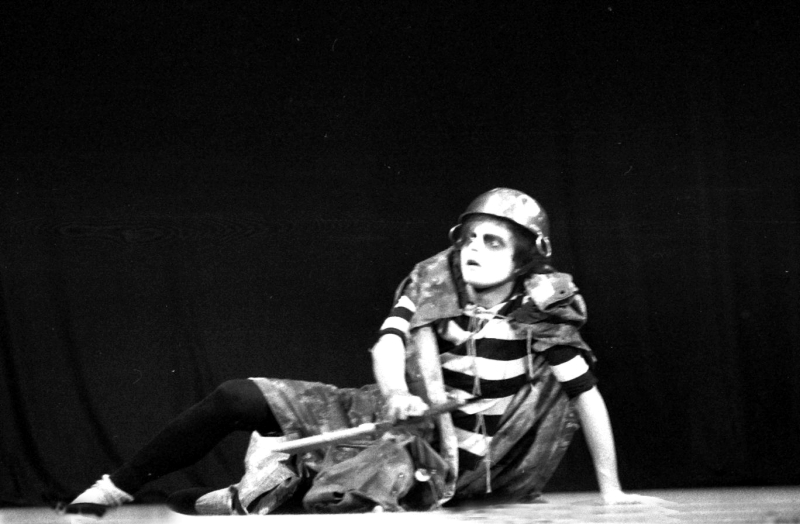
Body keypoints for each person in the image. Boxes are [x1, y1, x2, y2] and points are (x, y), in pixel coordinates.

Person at [67, 188, 658, 516]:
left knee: (333, 498)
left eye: (494, 241)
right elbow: (390, 341)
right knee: (235, 397)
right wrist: (396, 392)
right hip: (389, 415)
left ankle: (222, 499)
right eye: (470, 237)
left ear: (525, 258)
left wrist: (610, 490)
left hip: (443, 464)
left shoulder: (544, 311)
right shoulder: (434, 279)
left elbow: (585, 396)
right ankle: (117, 486)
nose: (474, 249)